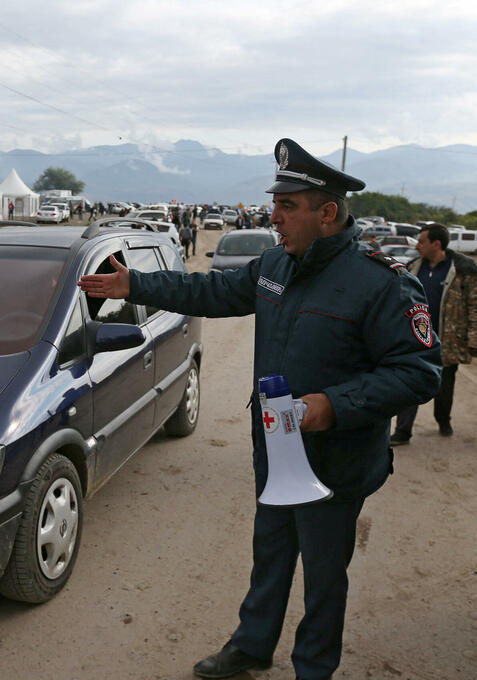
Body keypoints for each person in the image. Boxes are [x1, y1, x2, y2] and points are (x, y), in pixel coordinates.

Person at [78, 138, 441, 680]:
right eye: (275, 205)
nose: (274, 218)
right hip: (276, 446)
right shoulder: (276, 265)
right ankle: (251, 647)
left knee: (323, 574)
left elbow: (419, 371)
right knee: (270, 550)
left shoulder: (381, 284)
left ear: (327, 213)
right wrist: (135, 284)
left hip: (334, 461)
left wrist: (333, 405)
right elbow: (210, 291)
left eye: (287, 207)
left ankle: (313, 667)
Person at [390, 223, 477, 444]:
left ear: (436, 244)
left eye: (422, 242)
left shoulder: (463, 270)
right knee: (408, 384)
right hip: (414, 341)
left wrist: (476, 339)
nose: (417, 246)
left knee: (444, 387)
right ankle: (403, 431)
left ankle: (443, 420)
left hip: (447, 341)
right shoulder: (413, 268)